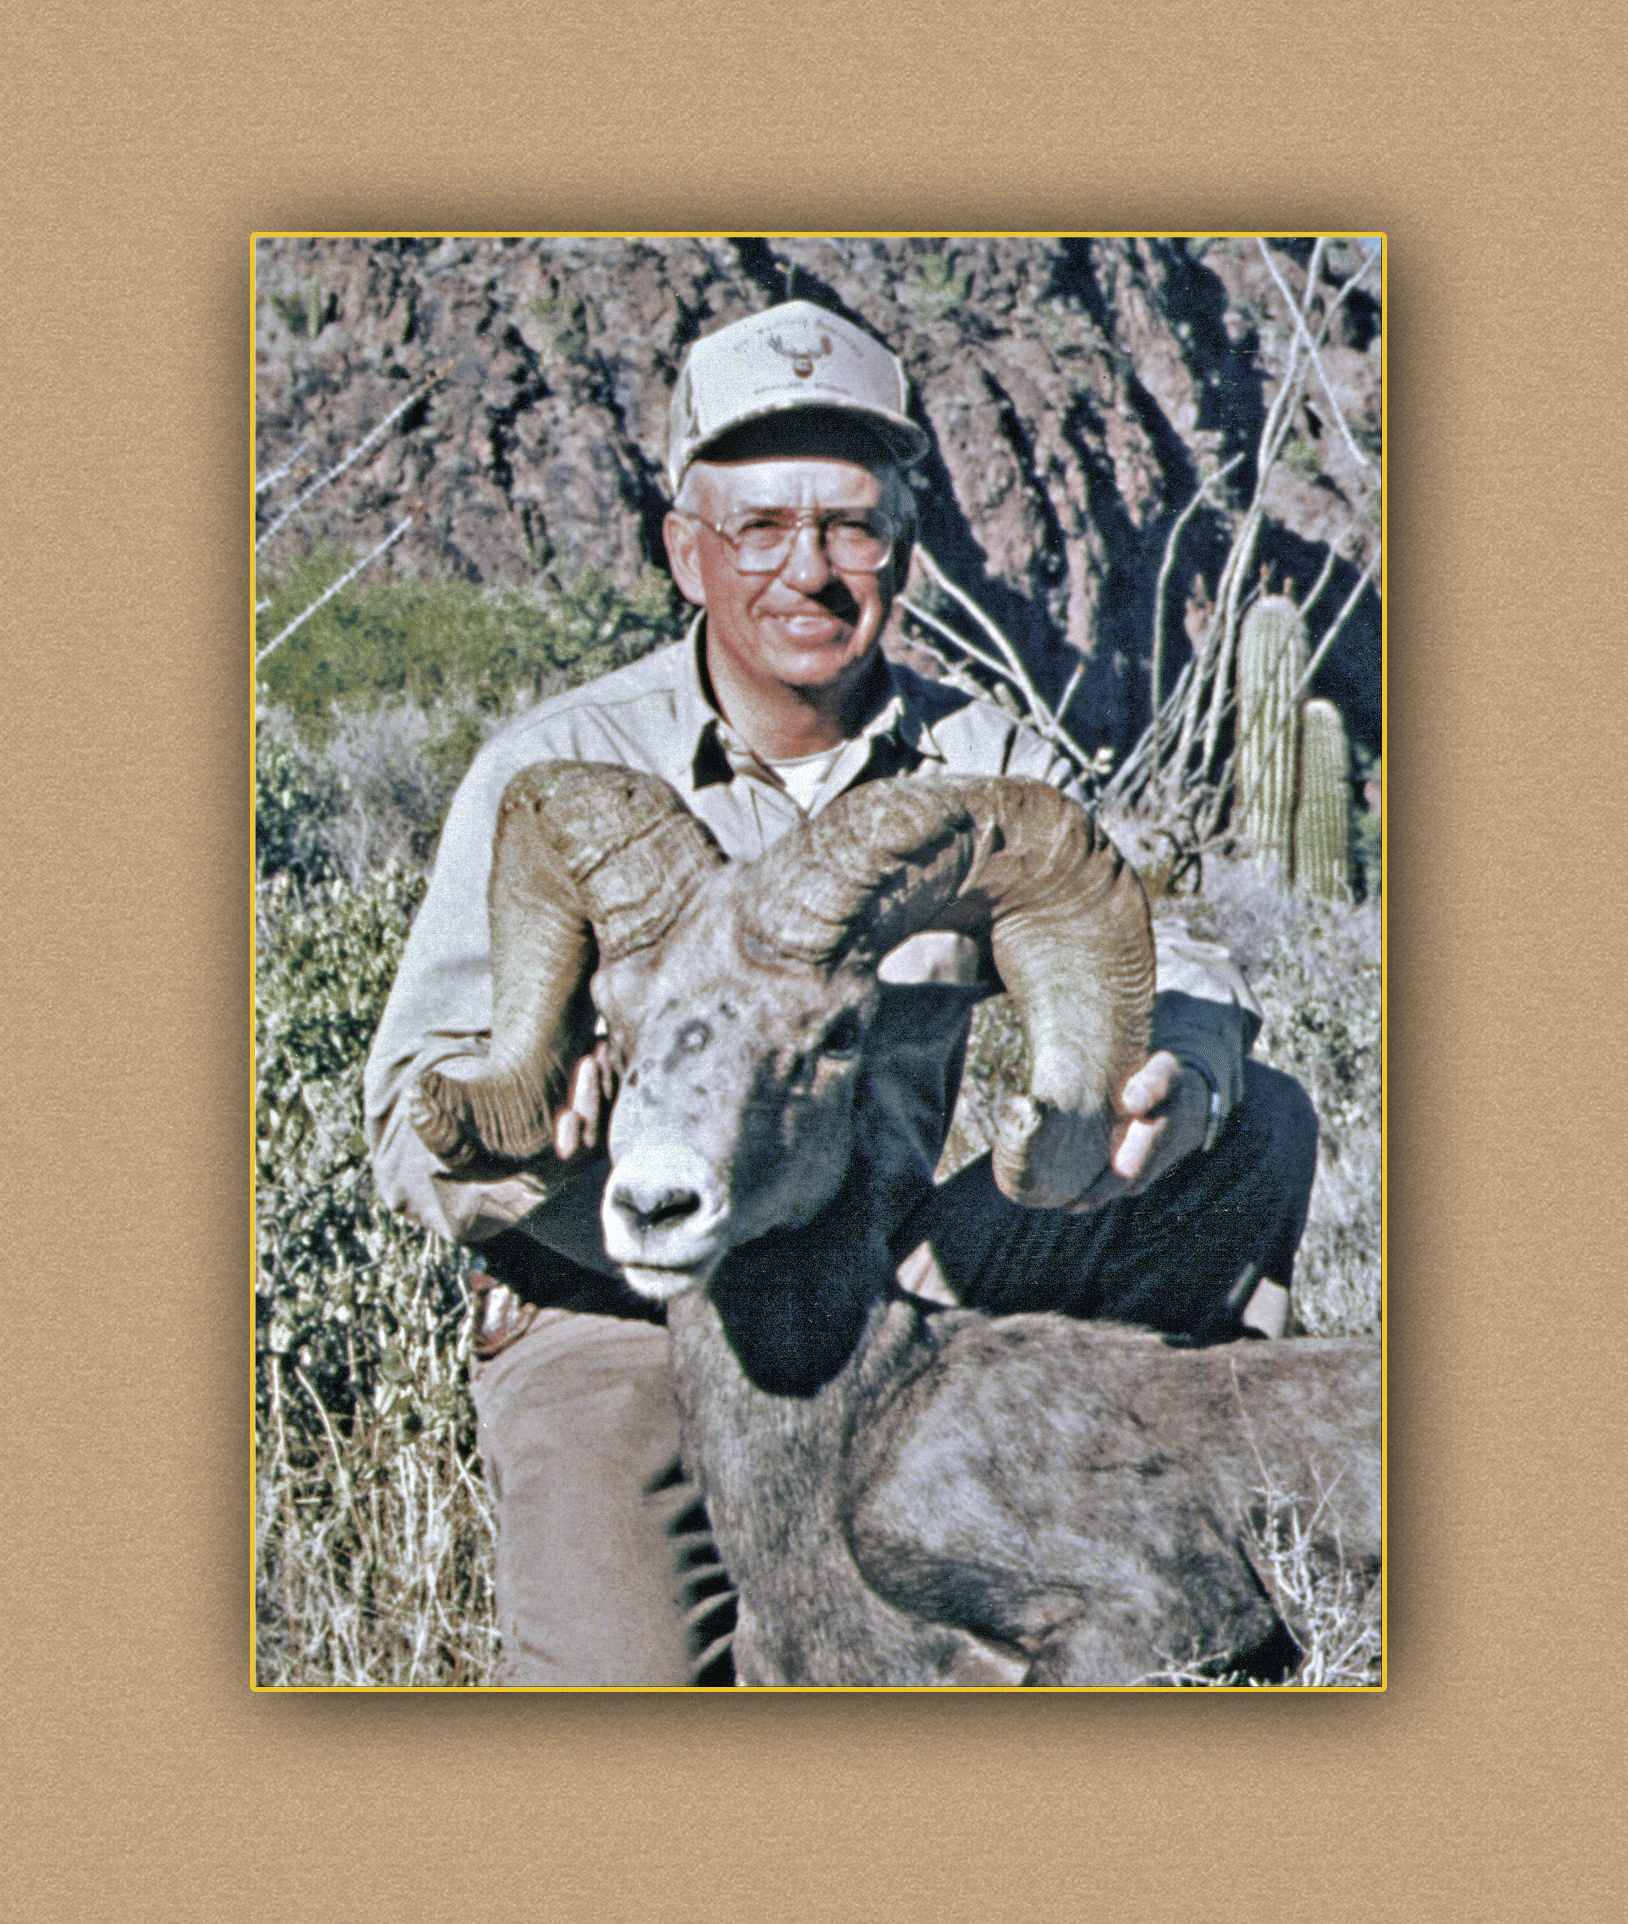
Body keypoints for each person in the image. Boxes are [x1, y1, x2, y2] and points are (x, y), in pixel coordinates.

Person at [364, 300, 1317, 1687]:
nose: (806, 571)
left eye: (849, 528)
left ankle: (1187, 1598)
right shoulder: (563, 765)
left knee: (1262, 1121)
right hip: (615, 1296)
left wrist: (1173, 1059)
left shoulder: (971, 758)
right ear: (684, 548)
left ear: (905, 554)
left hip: (881, 1274)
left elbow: (1162, 961)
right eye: (757, 527)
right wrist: (528, 1116)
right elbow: (419, 1108)